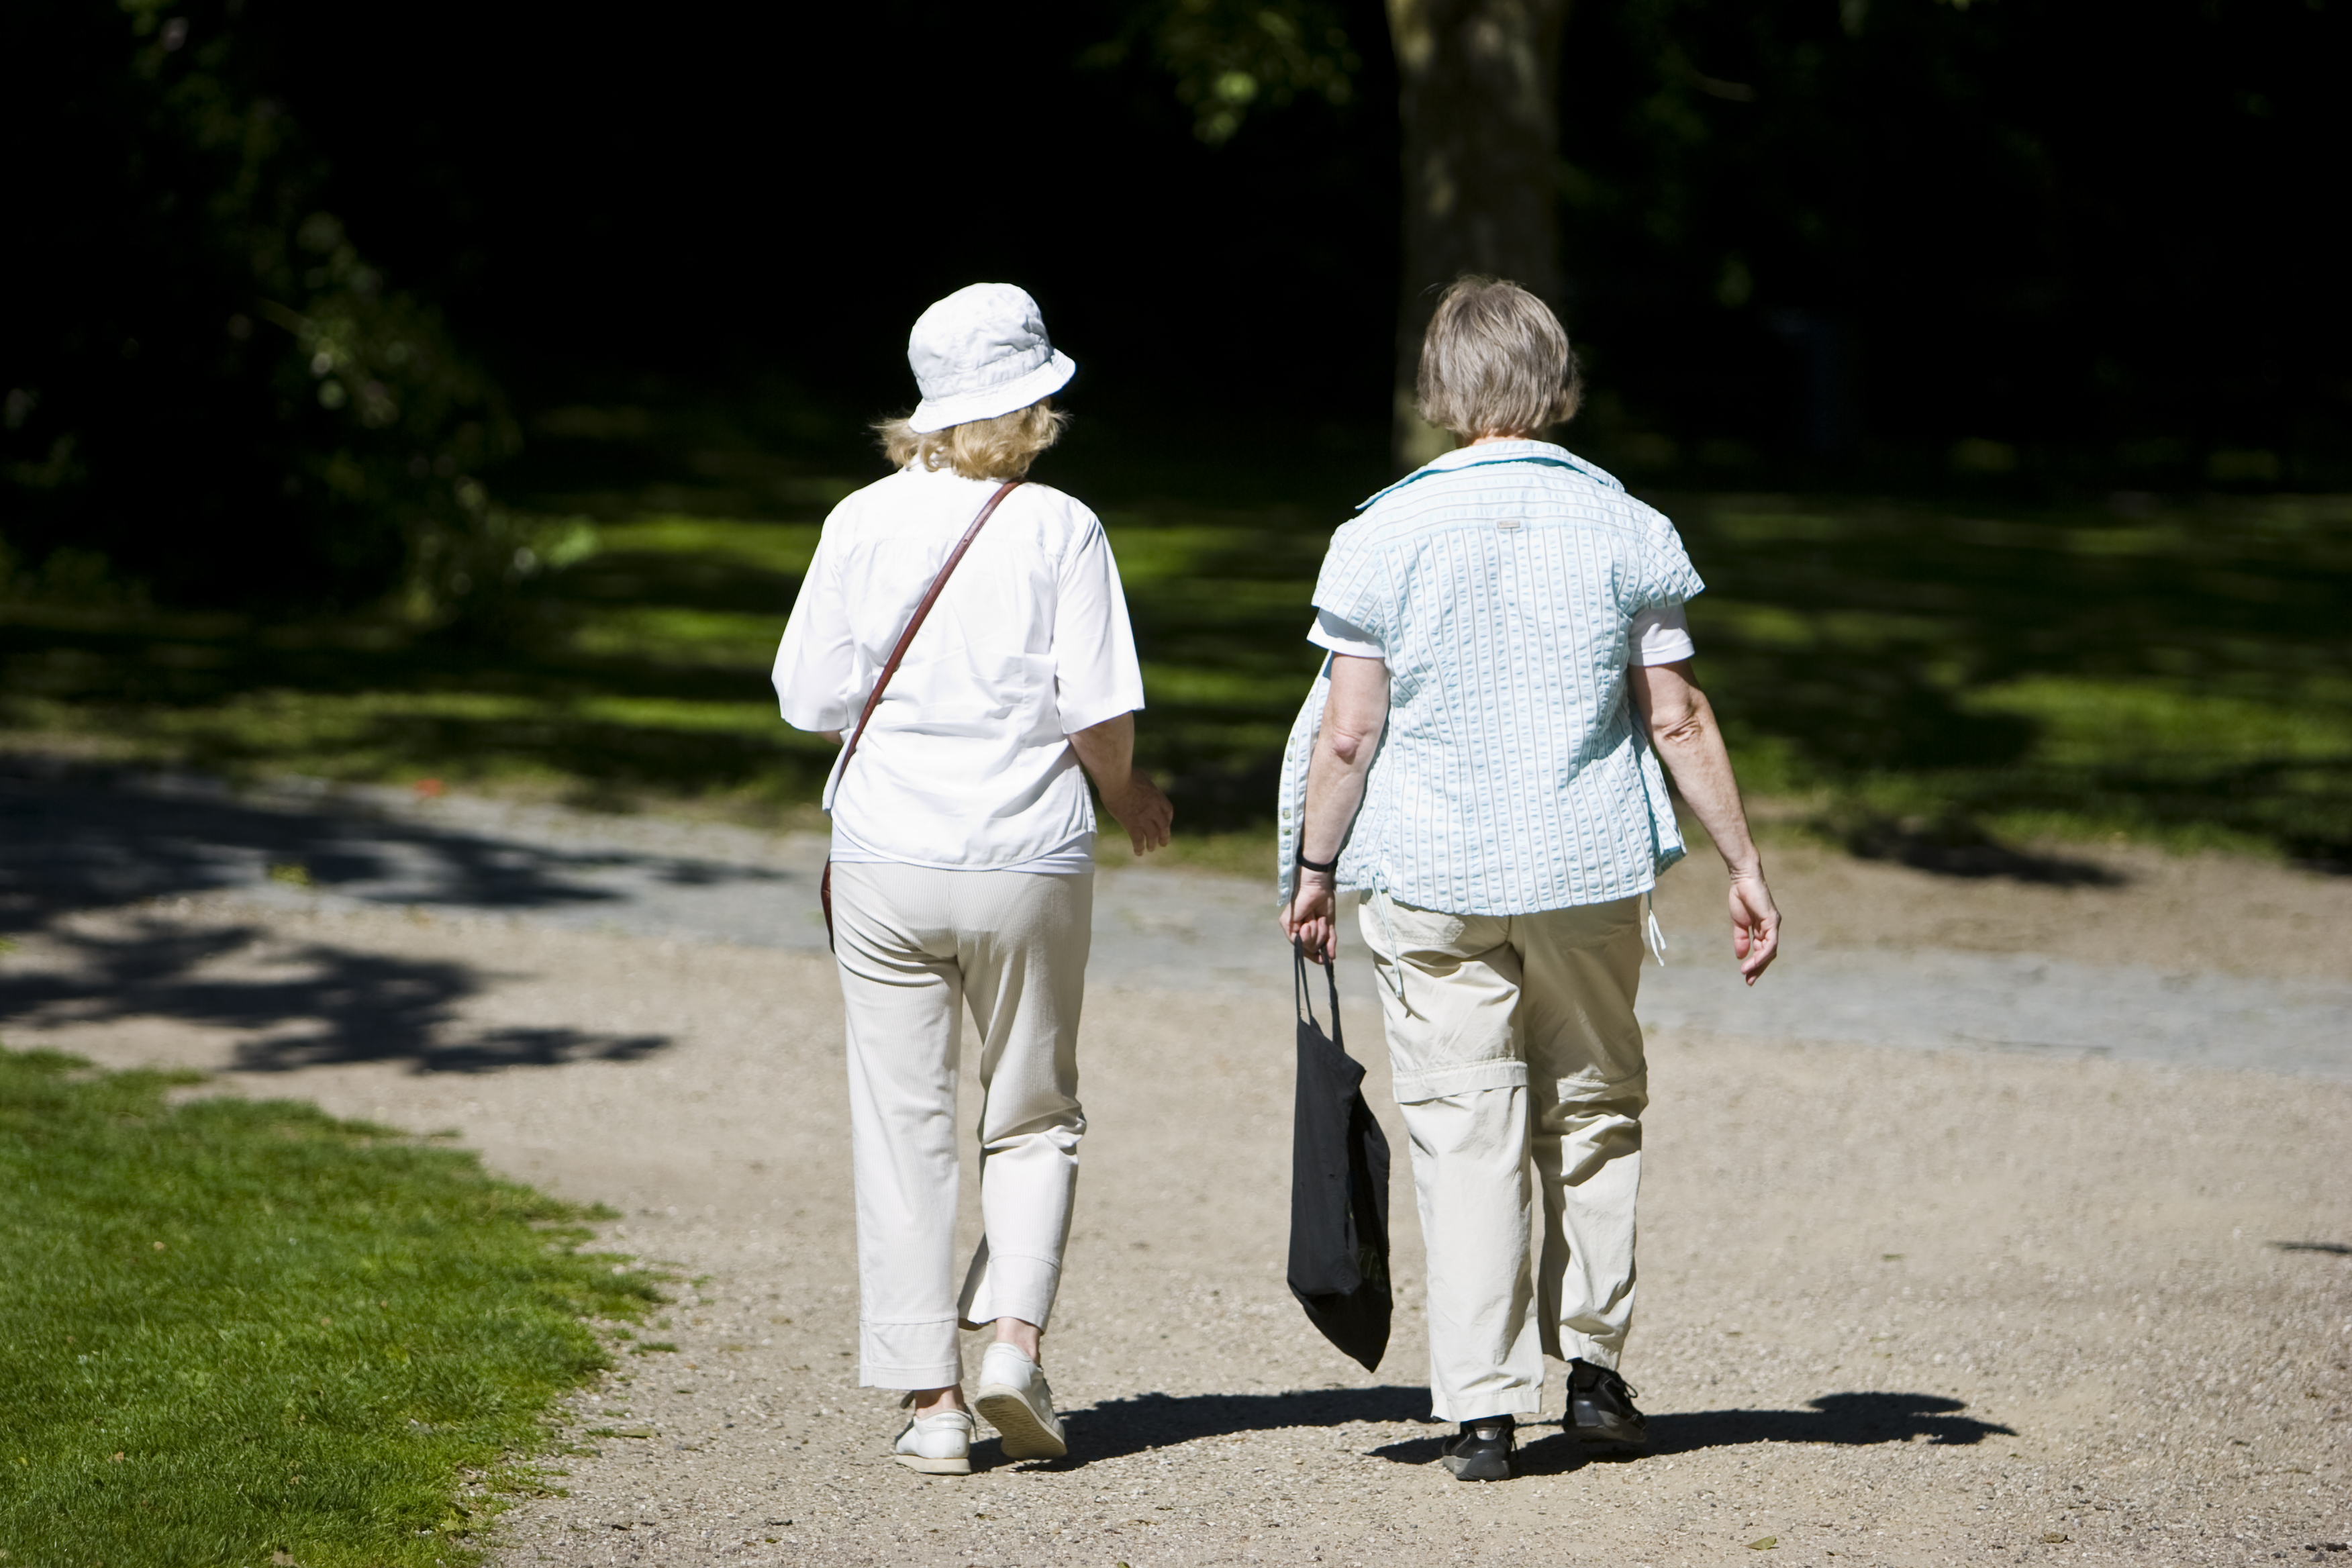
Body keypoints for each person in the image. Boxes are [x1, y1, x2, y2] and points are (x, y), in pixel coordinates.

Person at [1277, 277, 1780, 1482]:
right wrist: (1744, 862)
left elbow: (1350, 732)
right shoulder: (1627, 526)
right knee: (1594, 1114)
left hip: (1434, 871)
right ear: (1557, 384)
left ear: (1439, 392)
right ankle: (1596, 1375)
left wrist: (1313, 867)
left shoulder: (1379, 532)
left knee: (1466, 1130)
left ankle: (1484, 1407)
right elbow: (1677, 715)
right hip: (1585, 863)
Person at [772, 282, 1173, 1477]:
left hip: (887, 854)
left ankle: (932, 1404)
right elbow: (1098, 709)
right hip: (1027, 854)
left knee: (903, 1127)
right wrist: (1129, 795)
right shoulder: (1064, 529)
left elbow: (807, 697)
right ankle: (1013, 1342)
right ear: (1038, 400)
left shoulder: (858, 522)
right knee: (1035, 1109)